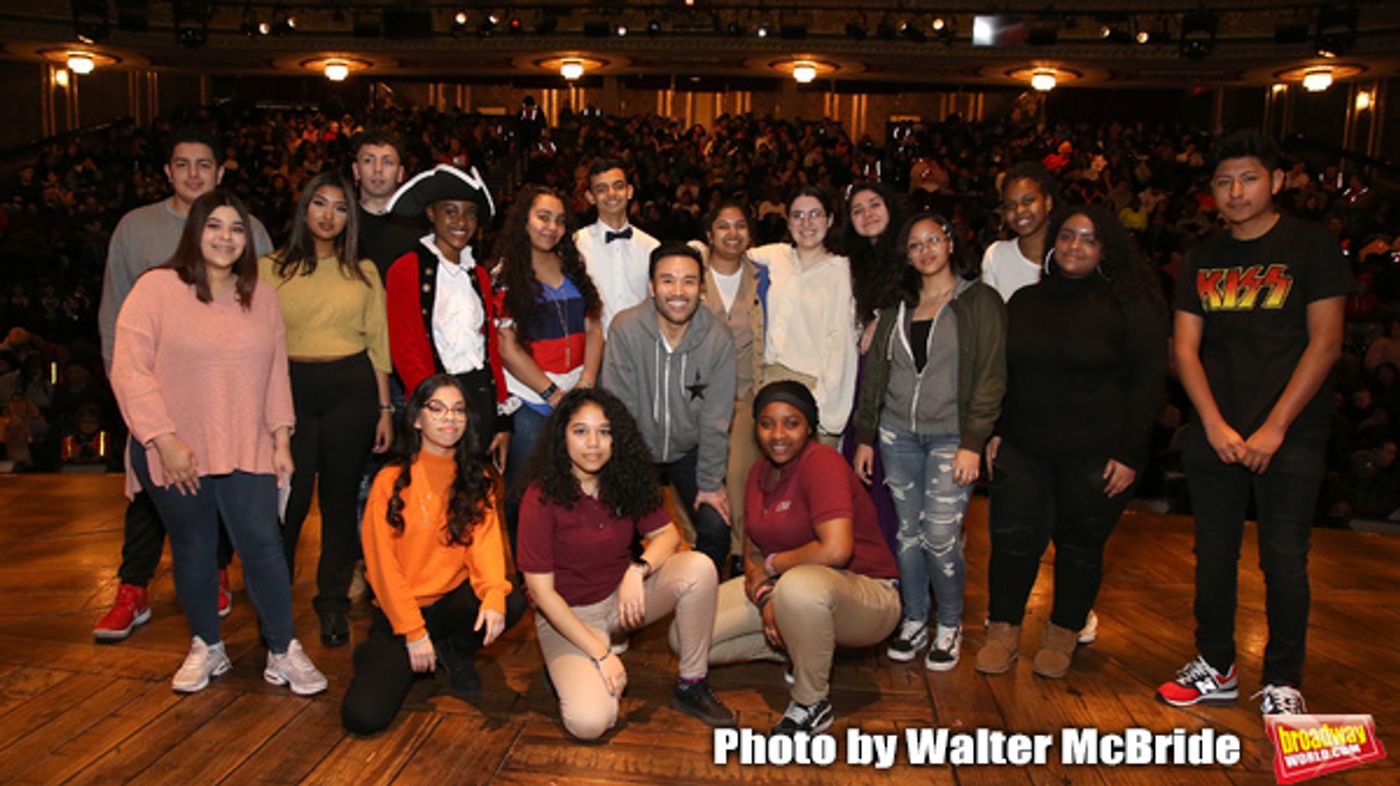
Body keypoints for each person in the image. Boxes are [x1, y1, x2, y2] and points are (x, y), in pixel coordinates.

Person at [1157, 130, 1350, 716]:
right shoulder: (1202, 258)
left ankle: (1284, 679)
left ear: (1276, 181)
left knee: (1283, 558)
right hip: (1218, 432)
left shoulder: (1312, 247)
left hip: (1291, 432)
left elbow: (1326, 343)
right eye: (1223, 182)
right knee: (1213, 554)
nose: (1235, 192)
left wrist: (1275, 428)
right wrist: (1212, 425)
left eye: (1248, 179)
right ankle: (1215, 664)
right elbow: (1184, 350)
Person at [110, 190, 326, 695]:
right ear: (195, 232)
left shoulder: (261, 296)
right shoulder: (156, 289)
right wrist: (163, 439)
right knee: (194, 548)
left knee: (265, 546)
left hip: (247, 441)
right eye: (214, 226)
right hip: (176, 446)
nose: (225, 237)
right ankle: (207, 645)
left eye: (236, 229)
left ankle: (283, 649)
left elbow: (276, 373)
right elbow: (129, 369)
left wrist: (281, 437)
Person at [94, 127, 274, 642]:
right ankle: (133, 588)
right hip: (154, 401)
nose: (193, 174)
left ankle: (215, 572)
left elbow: (261, 315)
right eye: (182, 164)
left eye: (203, 165)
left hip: (223, 399)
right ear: (167, 172)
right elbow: (114, 318)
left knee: (221, 487)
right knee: (150, 500)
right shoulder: (136, 228)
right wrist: (128, 397)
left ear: (220, 172)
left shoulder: (251, 230)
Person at [976, 204, 1168, 679]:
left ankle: (1062, 633)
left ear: (1106, 248)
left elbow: (1149, 384)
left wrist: (1129, 454)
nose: (1074, 246)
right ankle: (1003, 632)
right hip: (1023, 446)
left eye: (1087, 237)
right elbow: (1005, 374)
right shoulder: (1024, 301)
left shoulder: (1132, 305)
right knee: (1011, 543)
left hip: (1097, 455)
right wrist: (996, 429)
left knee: (1080, 547)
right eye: (1066, 236)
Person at [517, 388, 735, 740]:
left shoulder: (623, 478)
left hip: (622, 600)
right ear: (562, 436)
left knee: (700, 567)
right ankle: (572, 664)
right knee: (590, 722)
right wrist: (601, 654)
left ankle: (692, 683)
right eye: (580, 431)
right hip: (569, 617)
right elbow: (542, 594)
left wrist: (639, 569)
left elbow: (668, 535)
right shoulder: (540, 497)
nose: (593, 443)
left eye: (604, 432)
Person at [852, 212, 1007, 670]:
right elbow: (877, 375)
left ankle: (950, 623)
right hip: (896, 434)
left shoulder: (979, 301)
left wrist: (973, 442)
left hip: (951, 438)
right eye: (915, 245)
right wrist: (866, 436)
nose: (925, 251)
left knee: (941, 537)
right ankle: (916, 618)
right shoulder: (896, 306)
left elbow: (991, 376)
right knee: (908, 536)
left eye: (933, 240)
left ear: (951, 243)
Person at [699, 381, 900, 734]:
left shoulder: (822, 462)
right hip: (790, 592)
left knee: (796, 588)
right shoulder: (758, 473)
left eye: (791, 423)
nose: (778, 434)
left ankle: (811, 702)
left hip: (870, 595)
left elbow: (836, 550)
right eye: (766, 423)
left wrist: (774, 567)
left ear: (809, 427)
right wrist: (765, 603)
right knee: (689, 638)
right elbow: (752, 551)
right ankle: (803, 644)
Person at [340, 375, 527, 735]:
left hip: (450, 603)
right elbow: (381, 569)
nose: (449, 418)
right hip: (400, 611)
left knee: (509, 599)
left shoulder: (476, 479)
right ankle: (382, 655)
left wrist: (491, 595)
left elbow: (486, 550)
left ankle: (454, 651)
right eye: (436, 409)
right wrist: (412, 631)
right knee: (362, 719)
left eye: (458, 410)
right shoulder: (390, 480)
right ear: (416, 418)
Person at [259, 171, 393, 648]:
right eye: (320, 203)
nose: (329, 215)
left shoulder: (364, 271)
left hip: (351, 390)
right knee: (288, 505)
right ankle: (272, 605)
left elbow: (379, 342)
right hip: (289, 390)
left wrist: (384, 409)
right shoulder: (268, 268)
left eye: (339, 207)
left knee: (338, 505)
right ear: (304, 209)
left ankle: (333, 602)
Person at [601, 243, 737, 573]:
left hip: (688, 449)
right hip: (635, 448)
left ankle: (699, 595)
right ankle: (631, 598)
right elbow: (619, 411)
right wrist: (627, 478)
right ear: (651, 287)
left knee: (717, 526)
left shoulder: (718, 337)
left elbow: (716, 420)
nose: (678, 291)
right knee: (616, 530)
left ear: (701, 289)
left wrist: (709, 483)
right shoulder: (626, 328)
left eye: (689, 281)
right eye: (667, 280)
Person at [493, 185, 603, 547]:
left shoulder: (574, 268)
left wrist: (585, 383)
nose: (551, 227)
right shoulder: (506, 275)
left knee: (572, 492)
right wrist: (552, 393)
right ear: (524, 221)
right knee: (521, 495)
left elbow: (594, 329)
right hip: (530, 402)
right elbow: (507, 346)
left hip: (575, 396)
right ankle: (524, 575)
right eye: (543, 217)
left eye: (559, 220)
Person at [384, 164, 509, 470]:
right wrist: (434, 407)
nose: (461, 222)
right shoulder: (406, 270)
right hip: (435, 403)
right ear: (431, 214)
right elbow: (405, 348)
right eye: (450, 211)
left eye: (469, 213)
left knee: (474, 496)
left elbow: (488, 347)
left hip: (479, 398)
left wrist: (502, 415)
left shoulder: (478, 274)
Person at [748, 187, 859, 446]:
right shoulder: (777, 255)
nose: (806, 223)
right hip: (769, 381)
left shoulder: (842, 272)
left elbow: (840, 345)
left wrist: (825, 408)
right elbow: (731, 254)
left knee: (815, 480)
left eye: (815, 215)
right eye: (797, 215)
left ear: (830, 220)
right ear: (787, 221)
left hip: (814, 388)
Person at [689, 200, 763, 572]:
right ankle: (700, 554)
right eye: (723, 226)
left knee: (738, 478)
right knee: (696, 476)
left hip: (744, 397)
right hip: (694, 396)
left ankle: (738, 555)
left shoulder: (764, 275)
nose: (732, 233)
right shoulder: (691, 274)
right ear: (709, 234)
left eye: (740, 225)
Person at [841, 181, 907, 552]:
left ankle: (904, 574)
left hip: (902, 377)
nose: (867, 214)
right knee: (864, 472)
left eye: (874, 204)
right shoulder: (849, 261)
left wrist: (883, 321)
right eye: (857, 210)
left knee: (896, 475)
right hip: (861, 377)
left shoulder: (911, 250)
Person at [573, 158, 659, 335]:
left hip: (639, 350)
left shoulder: (651, 247)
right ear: (590, 197)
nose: (611, 194)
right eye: (602, 189)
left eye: (618, 186)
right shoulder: (577, 244)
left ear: (629, 191)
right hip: (592, 351)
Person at [980, 161, 1057, 302]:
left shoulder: (1069, 255)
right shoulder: (997, 256)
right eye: (1010, 205)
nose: (1019, 210)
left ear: (1048, 202)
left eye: (1028, 201)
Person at [350, 129, 421, 281]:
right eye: (368, 160)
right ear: (356, 170)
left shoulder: (418, 227)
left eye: (387, 162)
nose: (378, 169)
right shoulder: (341, 222)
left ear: (400, 173)